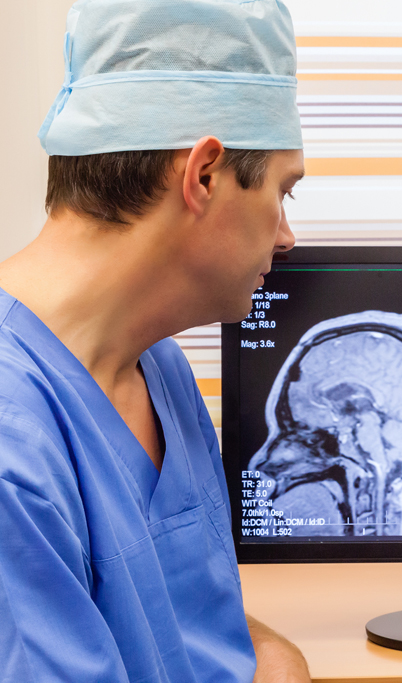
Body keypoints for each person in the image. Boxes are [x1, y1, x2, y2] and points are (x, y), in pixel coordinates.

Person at [0, 0, 310, 680]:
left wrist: (277, 656)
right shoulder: (12, 446)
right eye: (283, 192)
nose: (287, 236)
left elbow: (189, 626)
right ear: (204, 175)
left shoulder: (157, 366)